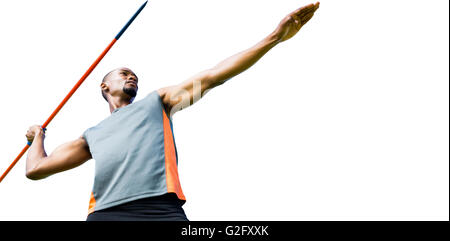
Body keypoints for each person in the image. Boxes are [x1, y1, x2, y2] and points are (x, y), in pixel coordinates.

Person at [25, 2, 320, 221]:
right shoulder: (91, 135)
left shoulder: (159, 102)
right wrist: (37, 137)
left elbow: (214, 76)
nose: (132, 78)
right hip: (107, 213)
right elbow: (36, 171)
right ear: (104, 87)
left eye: (135, 77)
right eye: (124, 73)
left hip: (161, 210)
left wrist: (274, 37)